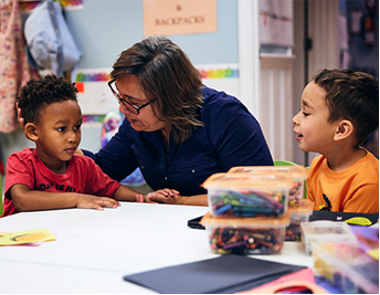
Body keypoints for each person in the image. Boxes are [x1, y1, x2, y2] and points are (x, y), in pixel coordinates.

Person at [19, 36, 273, 206]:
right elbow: (97, 171)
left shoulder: (225, 117)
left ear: (171, 98)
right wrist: (51, 138)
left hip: (226, 231)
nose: (121, 108)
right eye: (120, 96)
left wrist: (182, 202)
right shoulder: (138, 125)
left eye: (132, 101)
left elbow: (262, 195)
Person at [3, 75, 146, 216]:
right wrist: (77, 199)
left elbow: (113, 190)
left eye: (77, 127)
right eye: (61, 129)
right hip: (21, 235)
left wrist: (143, 199)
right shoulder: (21, 162)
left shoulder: (84, 166)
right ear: (33, 132)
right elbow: (22, 200)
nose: (73, 137)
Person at [293, 68, 379, 213]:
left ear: (341, 130)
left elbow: (353, 234)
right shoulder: (317, 165)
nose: (295, 119)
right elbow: (310, 220)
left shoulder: (367, 182)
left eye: (306, 113)